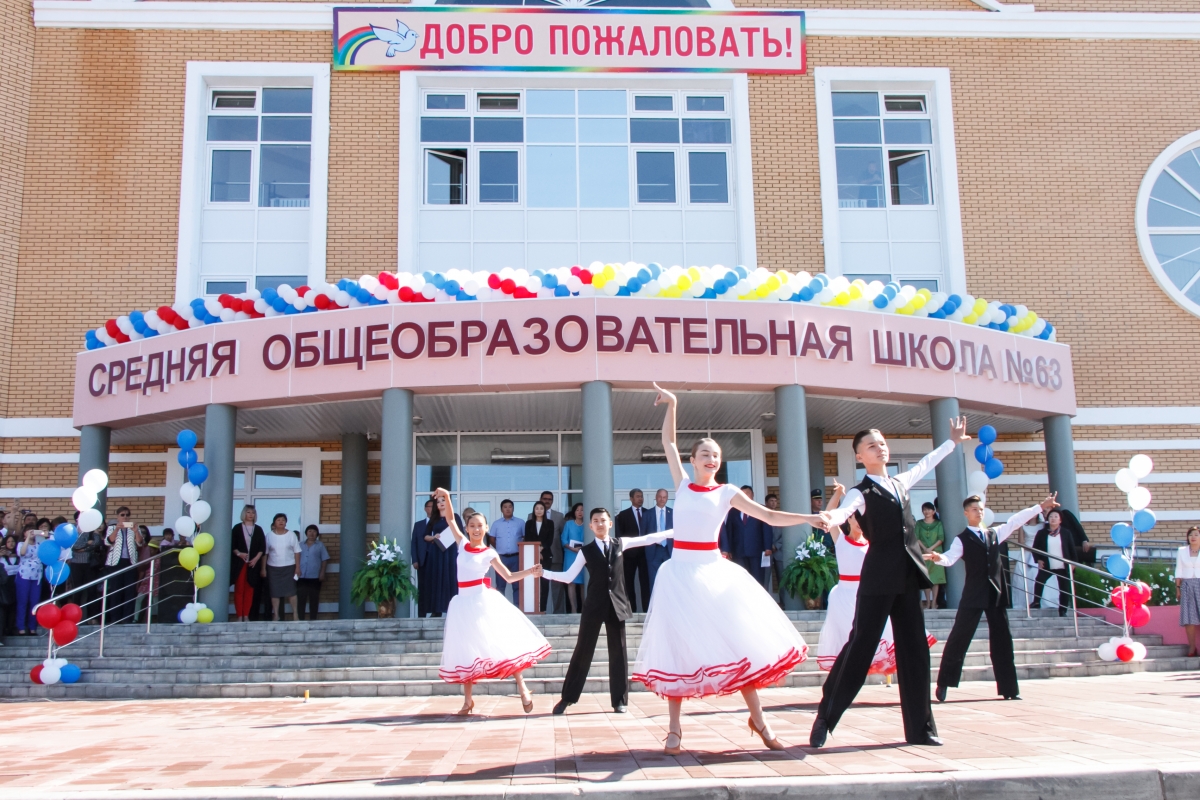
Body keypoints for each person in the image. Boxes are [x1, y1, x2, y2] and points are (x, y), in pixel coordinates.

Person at [634, 384, 823, 754]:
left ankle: (760, 722)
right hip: (678, 576)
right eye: (705, 453)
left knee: (738, 645)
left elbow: (767, 514)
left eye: (716, 454)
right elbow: (668, 442)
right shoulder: (683, 484)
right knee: (678, 650)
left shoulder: (728, 492)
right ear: (693, 460)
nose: (711, 458)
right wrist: (673, 404)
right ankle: (674, 729)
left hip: (713, 574)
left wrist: (808, 516)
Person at [813, 419, 972, 749]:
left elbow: (927, 463)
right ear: (860, 457)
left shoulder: (900, 482)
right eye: (871, 445)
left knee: (914, 651)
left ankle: (922, 729)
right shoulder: (860, 492)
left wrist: (952, 442)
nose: (880, 447)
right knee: (861, 645)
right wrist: (832, 518)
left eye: (882, 442)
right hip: (877, 576)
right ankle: (826, 716)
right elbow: (845, 512)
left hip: (906, 574)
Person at [931, 493, 1059, 703]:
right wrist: (938, 558)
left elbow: (1016, 521)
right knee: (959, 637)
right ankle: (944, 683)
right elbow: (950, 558)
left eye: (980, 509)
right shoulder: (962, 538)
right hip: (974, 593)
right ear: (966, 513)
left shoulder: (994, 533)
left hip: (996, 593)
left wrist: (1040, 507)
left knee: (1002, 640)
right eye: (974, 509)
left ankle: (1009, 688)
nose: (978, 512)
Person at [546, 506, 673, 716]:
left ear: (610, 524)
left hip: (617, 605)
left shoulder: (620, 543)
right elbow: (568, 577)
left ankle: (619, 701)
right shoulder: (585, 551)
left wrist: (674, 532)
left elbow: (649, 538)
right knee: (582, 651)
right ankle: (567, 698)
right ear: (590, 525)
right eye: (595, 521)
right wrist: (545, 573)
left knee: (619, 653)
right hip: (594, 606)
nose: (600, 524)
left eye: (603, 520)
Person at [432, 489, 547, 716]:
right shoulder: (462, 543)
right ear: (467, 528)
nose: (476, 529)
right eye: (472, 525)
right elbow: (449, 518)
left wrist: (529, 571)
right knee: (467, 652)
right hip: (462, 605)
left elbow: (508, 577)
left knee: (502, 646)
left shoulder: (490, 553)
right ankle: (467, 701)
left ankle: (523, 688)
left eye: (480, 525)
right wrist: (446, 496)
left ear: (486, 528)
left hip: (483, 603)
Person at [817, 480, 935, 676]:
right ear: (849, 520)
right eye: (855, 519)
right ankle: (844, 677)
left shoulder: (873, 544)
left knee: (882, 632)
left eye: (862, 519)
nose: (859, 523)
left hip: (867, 591)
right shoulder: (840, 539)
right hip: (844, 594)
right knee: (849, 638)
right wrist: (838, 494)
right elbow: (830, 515)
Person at [720, 485, 771, 585]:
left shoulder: (760, 509)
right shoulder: (732, 511)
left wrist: (768, 547)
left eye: (747, 493)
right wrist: (729, 549)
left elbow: (766, 528)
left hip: (756, 550)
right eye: (742, 493)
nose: (745, 495)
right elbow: (730, 530)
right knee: (741, 578)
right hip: (739, 551)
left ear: (753, 495)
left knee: (757, 578)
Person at [421, 497, 462, 618]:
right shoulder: (434, 519)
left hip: (452, 552)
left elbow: (461, 535)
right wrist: (434, 537)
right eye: (438, 502)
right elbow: (425, 536)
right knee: (437, 578)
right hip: (437, 552)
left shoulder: (455, 517)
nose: (441, 503)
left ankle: (454, 609)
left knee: (452, 577)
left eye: (443, 501)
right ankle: (436, 610)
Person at [1032, 509, 1078, 616]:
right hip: (1047, 564)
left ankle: (1062, 610)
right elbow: (1035, 548)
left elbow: (1072, 549)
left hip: (1062, 565)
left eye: (1056, 517)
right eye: (1051, 516)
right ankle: (1036, 602)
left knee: (1064, 588)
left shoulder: (1066, 533)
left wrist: (1074, 563)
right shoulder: (1042, 533)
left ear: (1060, 520)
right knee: (1039, 580)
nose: (1053, 518)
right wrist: (1038, 560)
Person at [103, 507, 144, 625]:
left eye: (127, 515)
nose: (125, 517)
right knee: (116, 591)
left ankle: (128, 618)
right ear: (118, 516)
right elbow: (108, 542)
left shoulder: (134, 527)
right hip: (115, 562)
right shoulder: (111, 527)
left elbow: (140, 543)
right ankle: (115, 618)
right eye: (122, 515)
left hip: (130, 562)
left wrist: (136, 531)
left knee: (130, 591)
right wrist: (117, 529)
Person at [615, 489, 653, 611]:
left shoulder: (648, 513)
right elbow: (619, 535)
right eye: (637, 496)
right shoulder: (623, 515)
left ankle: (647, 609)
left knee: (645, 583)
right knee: (629, 583)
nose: (640, 499)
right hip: (629, 555)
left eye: (641, 496)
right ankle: (632, 610)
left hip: (645, 554)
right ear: (631, 498)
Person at [230, 505, 266, 623]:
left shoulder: (259, 529)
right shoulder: (237, 528)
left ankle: (246, 615)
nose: (251, 515)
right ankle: (239, 616)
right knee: (239, 589)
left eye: (253, 513)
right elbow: (232, 545)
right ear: (244, 514)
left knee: (250, 590)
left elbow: (262, 547)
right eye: (248, 512)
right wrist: (239, 554)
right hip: (240, 564)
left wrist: (256, 559)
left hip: (253, 564)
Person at [531, 491, 565, 613]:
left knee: (557, 587)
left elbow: (562, 535)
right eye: (545, 499)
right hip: (536, 557)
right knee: (539, 586)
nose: (547, 501)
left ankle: (558, 613)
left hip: (555, 555)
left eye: (550, 499)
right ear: (540, 499)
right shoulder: (531, 516)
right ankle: (540, 610)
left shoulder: (559, 516)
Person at [264, 513, 301, 621]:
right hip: (273, 567)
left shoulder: (291, 535)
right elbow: (265, 553)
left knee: (291, 591)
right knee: (275, 592)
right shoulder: (269, 535)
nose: (281, 522)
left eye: (283, 520)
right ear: (274, 522)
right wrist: (263, 568)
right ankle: (276, 614)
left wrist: (297, 567)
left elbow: (297, 551)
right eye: (278, 520)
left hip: (289, 566)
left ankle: (295, 614)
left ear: (286, 523)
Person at [487, 499, 524, 607]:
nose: (508, 509)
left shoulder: (520, 522)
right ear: (501, 509)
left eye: (510, 507)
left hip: (516, 557)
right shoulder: (496, 524)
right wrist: (499, 548)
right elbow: (491, 539)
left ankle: (517, 608)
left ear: (513, 508)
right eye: (505, 507)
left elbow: (526, 538)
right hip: (501, 558)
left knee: (517, 585)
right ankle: (501, 608)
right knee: (500, 585)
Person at [1175, 526, 1200, 658]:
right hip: (1187, 585)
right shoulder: (1182, 551)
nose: (1193, 537)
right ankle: (1192, 647)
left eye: (1196, 534)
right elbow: (1178, 570)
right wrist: (1178, 588)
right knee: (1189, 618)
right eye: (1191, 535)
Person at [915, 502, 945, 610]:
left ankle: (934, 602)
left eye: (928, 509)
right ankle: (927, 602)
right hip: (923, 554)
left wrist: (931, 549)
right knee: (925, 578)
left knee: (936, 579)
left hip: (936, 554)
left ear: (933, 511)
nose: (926, 512)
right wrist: (924, 548)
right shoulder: (919, 523)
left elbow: (941, 538)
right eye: (924, 510)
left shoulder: (938, 524)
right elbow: (916, 537)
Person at [298, 524, 329, 621]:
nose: (312, 533)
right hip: (301, 576)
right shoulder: (300, 545)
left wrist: (322, 573)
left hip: (315, 577)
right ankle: (300, 620)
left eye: (314, 531)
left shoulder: (320, 545)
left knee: (314, 599)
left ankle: (313, 620)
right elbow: (296, 559)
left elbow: (324, 560)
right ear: (306, 533)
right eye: (310, 531)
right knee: (301, 599)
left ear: (317, 534)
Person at [645, 488, 674, 591]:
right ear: (656, 497)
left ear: (667, 498)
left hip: (668, 550)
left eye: (664, 497)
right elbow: (642, 534)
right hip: (653, 551)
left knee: (670, 580)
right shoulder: (647, 514)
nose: (662, 499)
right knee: (653, 581)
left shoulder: (673, 513)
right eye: (660, 497)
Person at [15, 527, 42, 634]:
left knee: (34, 602)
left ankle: (32, 627)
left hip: (37, 576)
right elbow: (22, 553)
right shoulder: (21, 544)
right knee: (22, 601)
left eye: (33, 531)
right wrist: (27, 539)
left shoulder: (39, 545)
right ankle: (21, 627)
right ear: (24, 533)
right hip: (24, 575)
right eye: (28, 531)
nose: (31, 533)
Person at [524, 501, 551, 611]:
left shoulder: (550, 523)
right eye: (537, 508)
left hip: (546, 555)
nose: (539, 510)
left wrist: (540, 549)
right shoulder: (529, 523)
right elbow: (527, 539)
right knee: (532, 581)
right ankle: (532, 608)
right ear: (534, 510)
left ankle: (543, 609)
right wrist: (536, 551)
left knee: (544, 583)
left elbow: (549, 540)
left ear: (544, 511)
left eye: (541, 508)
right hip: (531, 555)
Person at [560, 503, 586, 613]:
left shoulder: (588, 525)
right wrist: (572, 548)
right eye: (577, 510)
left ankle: (585, 608)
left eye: (582, 510)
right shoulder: (569, 524)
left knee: (583, 583)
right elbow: (563, 540)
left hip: (584, 555)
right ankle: (573, 609)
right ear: (574, 512)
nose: (580, 512)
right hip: (571, 555)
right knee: (571, 582)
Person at [411, 499, 434, 616]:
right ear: (425, 509)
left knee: (436, 587)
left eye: (434, 506)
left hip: (437, 561)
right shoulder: (418, 525)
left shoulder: (441, 524)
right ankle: (422, 614)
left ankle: (436, 613)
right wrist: (415, 560)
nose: (432, 508)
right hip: (422, 561)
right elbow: (414, 543)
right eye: (430, 506)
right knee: (423, 589)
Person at [0, 534, 18, 636]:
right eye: (8, 542)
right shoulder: (2, 556)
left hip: (16, 583)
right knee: (4, 607)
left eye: (13, 541)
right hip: (4, 584)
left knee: (14, 606)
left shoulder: (19, 555)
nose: (11, 544)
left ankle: (11, 628)